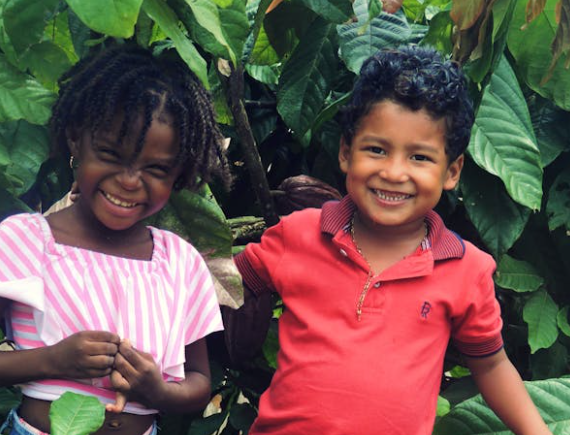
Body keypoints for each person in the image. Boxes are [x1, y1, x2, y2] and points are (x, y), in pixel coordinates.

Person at [228, 46, 551, 434]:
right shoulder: (298, 235)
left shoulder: (466, 270)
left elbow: (492, 365)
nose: (395, 172)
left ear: (452, 172)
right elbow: (219, 284)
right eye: (377, 150)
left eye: (420, 158)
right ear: (346, 152)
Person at [0, 44, 230, 435]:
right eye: (110, 153)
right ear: (76, 140)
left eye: (156, 168)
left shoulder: (181, 262)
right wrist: (54, 361)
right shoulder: (23, 242)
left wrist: (156, 389)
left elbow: (198, 384)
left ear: (181, 173)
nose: (129, 180)